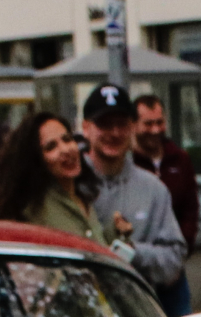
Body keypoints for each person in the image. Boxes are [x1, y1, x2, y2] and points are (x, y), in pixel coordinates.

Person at [77, 85, 188, 303]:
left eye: (122, 125)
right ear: (86, 128)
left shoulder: (153, 188)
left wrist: (133, 253)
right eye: (105, 125)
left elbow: (174, 259)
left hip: (136, 308)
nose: (115, 133)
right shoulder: (72, 184)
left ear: (132, 128)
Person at [0, 110, 112, 243]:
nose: (65, 150)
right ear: (37, 160)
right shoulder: (35, 211)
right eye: (51, 147)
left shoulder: (83, 199)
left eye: (67, 139)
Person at [133, 93, 200, 317]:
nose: (155, 130)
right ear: (134, 125)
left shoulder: (180, 160)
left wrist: (178, 256)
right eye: (148, 124)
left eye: (159, 122)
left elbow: (191, 211)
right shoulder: (130, 166)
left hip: (174, 273)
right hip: (138, 272)